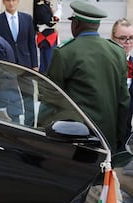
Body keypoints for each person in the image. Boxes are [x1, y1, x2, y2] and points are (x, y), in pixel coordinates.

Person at [47, 1, 130, 151]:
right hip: (107, 139)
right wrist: (119, 139)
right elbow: (124, 102)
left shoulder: (65, 52)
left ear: (76, 24)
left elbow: (51, 99)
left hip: (75, 138)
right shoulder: (117, 52)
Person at [0, 0, 38, 126]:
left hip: (25, 64)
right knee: (11, 95)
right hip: (8, 66)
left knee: (28, 95)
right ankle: (13, 123)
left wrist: (35, 64)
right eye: (8, 0)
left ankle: (30, 124)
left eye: (14, 0)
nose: (11, 3)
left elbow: (32, 43)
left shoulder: (27, 18)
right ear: (4, 2)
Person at [111, 18, 133, 141]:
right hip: (105, 129)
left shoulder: (132, 63)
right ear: (113, 37)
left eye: (131, 38)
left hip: (126, 131)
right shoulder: (105, 62)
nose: (128, 42)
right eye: (123, 38)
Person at [33, 0, 62, 73]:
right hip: (47, 38)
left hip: (47, 36)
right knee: (49, 63)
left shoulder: (45, 4)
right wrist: (58, 12)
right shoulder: (41, 6)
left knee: (46, 63)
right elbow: (50, 22)